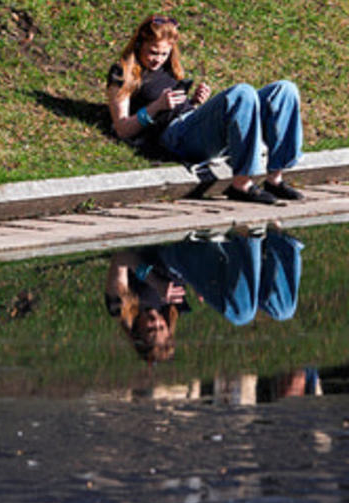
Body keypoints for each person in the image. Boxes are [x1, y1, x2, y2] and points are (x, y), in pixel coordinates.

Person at [106, 15, 305, 205]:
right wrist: (155, 107)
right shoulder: (122, 73)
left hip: (189, 123)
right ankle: (241, 184)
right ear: (140, 44)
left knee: (284, 90)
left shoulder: (167, 68)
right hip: (173, 136)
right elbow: (122, 128)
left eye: (164, 54)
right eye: (153, 52)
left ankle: (275, 179)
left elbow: (178, 108)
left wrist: (194, 102)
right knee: (242, 93)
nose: (158, 59)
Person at [105, 224, 304, 362]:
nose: (156, 322)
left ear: (136, 332)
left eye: (150, 329)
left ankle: (249, 239)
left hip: (173, 258)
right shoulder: (172, 310)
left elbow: (121, 258)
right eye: (161, 328)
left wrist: (155, 283)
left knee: (241, 314)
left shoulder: (121, 307)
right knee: (282, 310)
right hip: (199, 268)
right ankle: (279, 241)